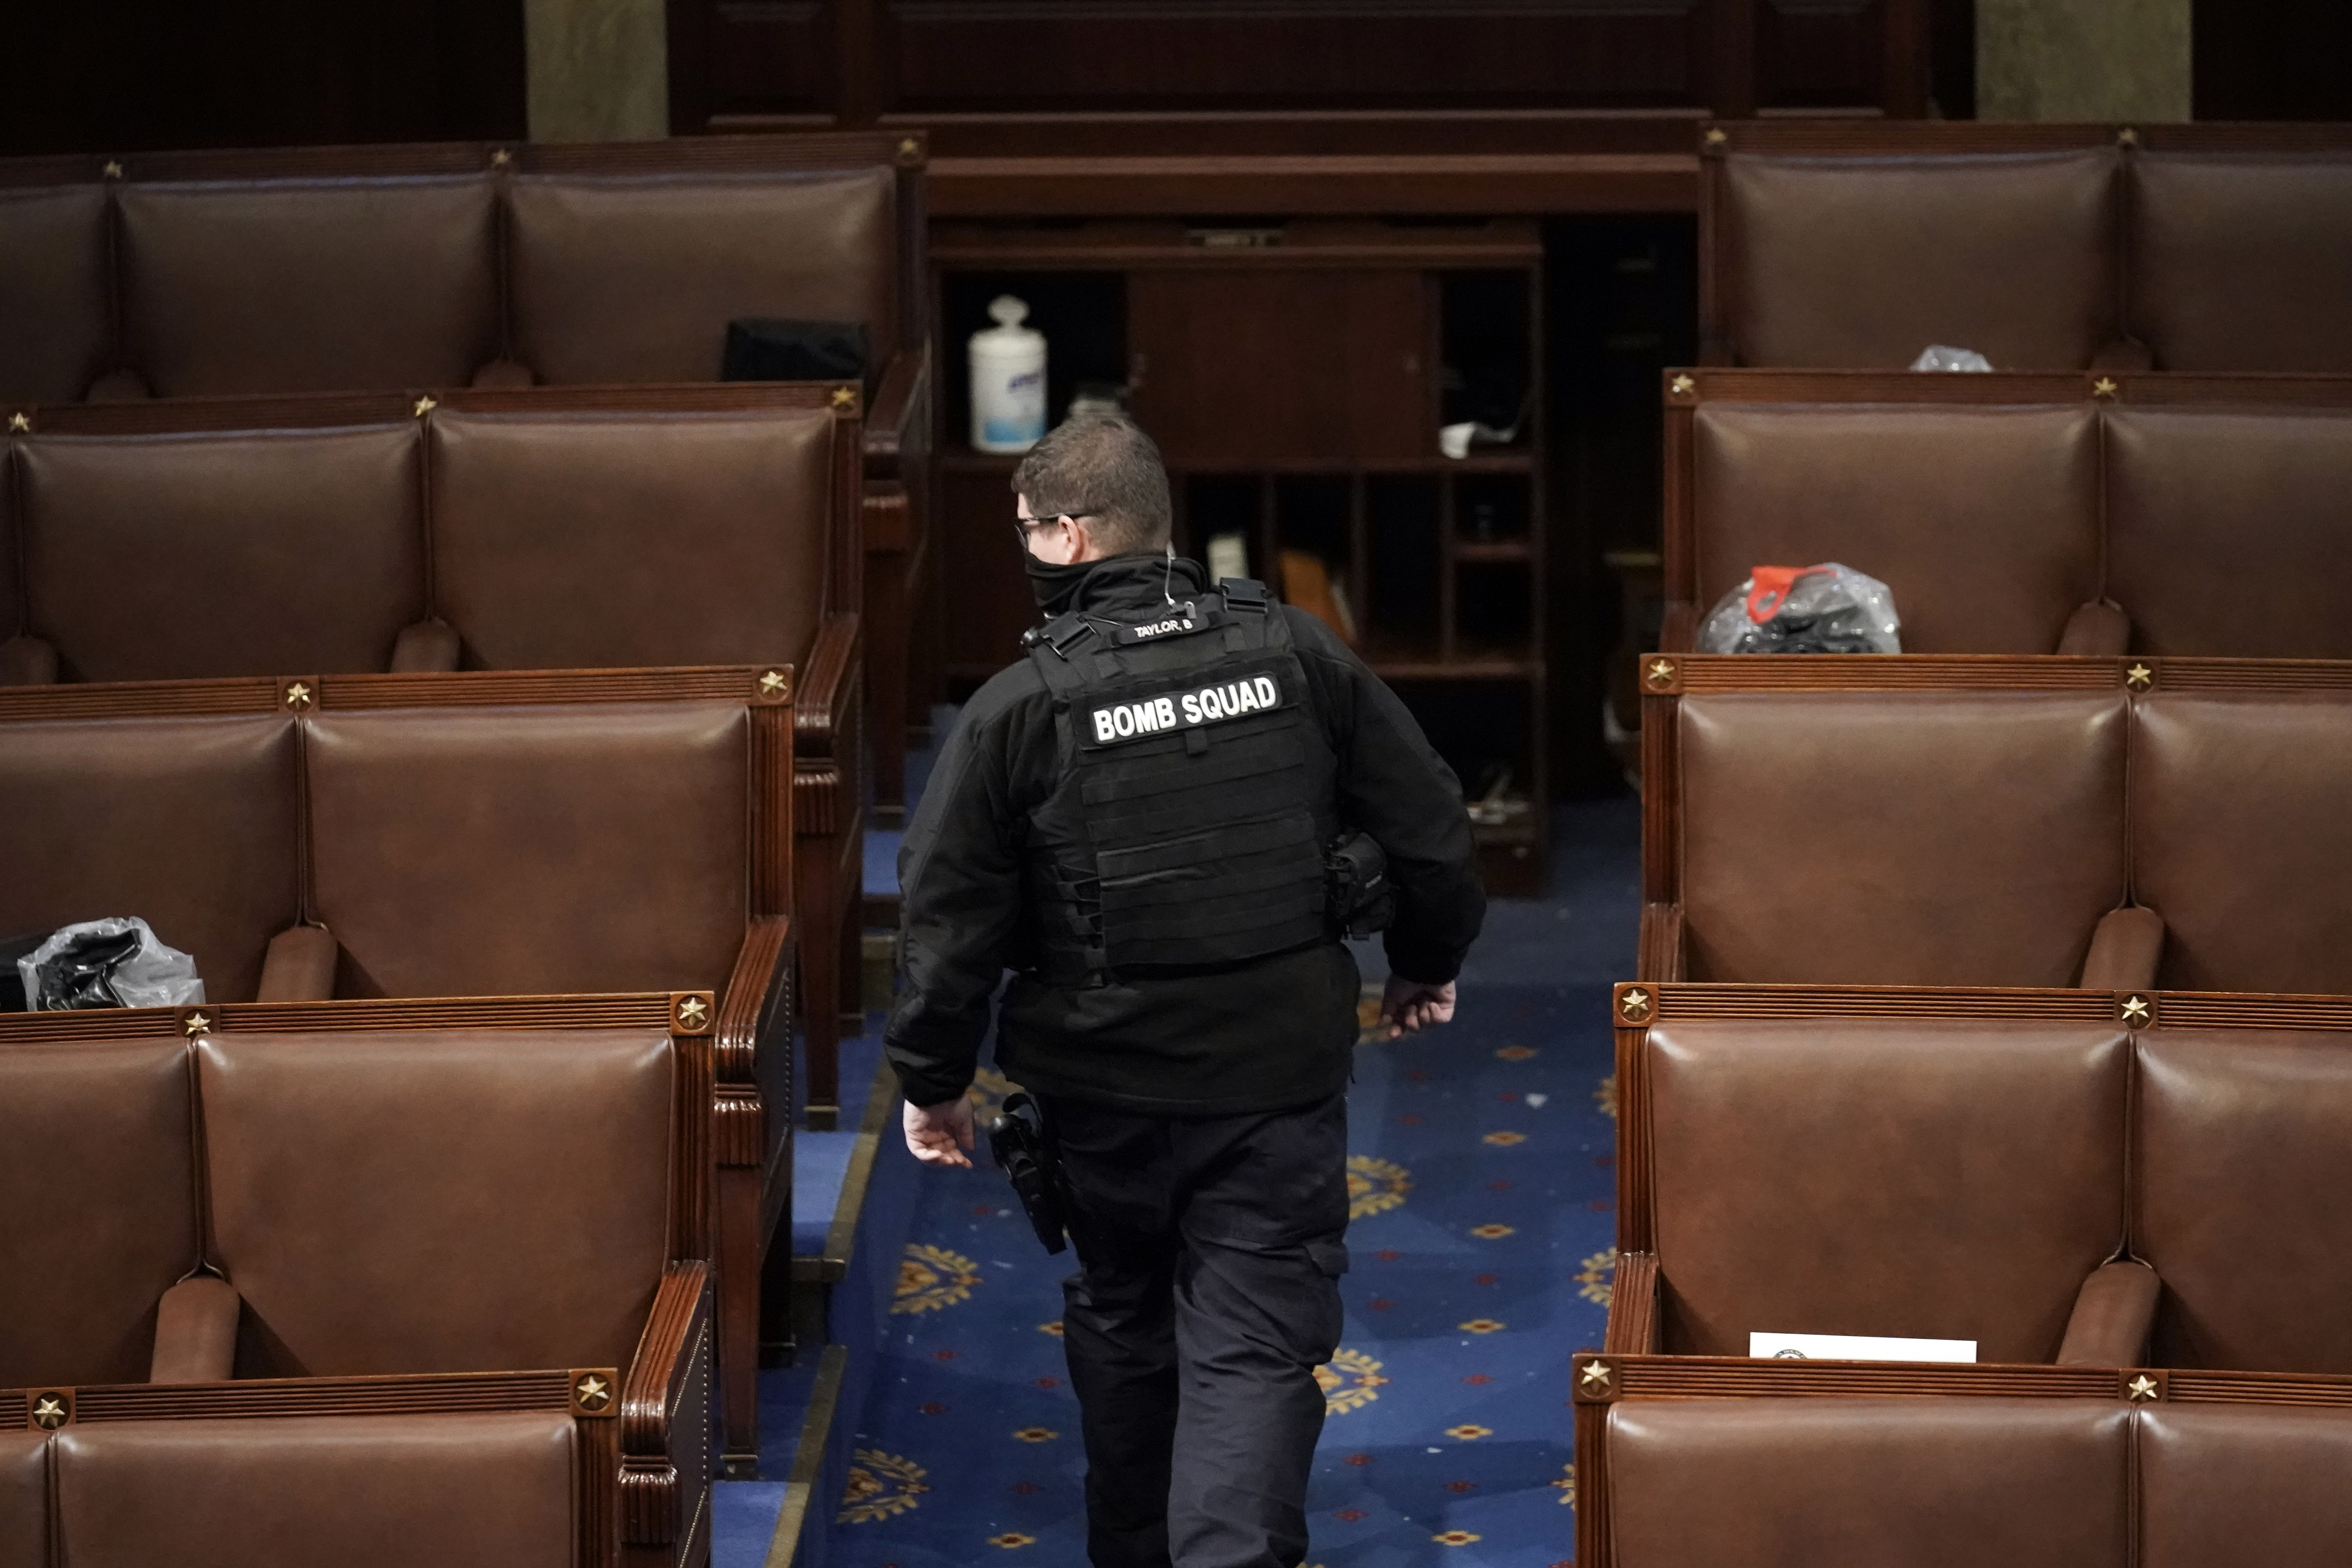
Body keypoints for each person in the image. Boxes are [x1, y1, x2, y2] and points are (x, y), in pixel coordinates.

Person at [887, 413, 1484, 1568]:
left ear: (1064, 537)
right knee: (1253, 1345)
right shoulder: (1296, 652)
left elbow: (945, 918)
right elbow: (1429, 823)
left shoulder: (1020, 705)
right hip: (1275, 1072)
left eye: (1025, 531)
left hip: (1099, 1087)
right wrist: (1427, 959)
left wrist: (933, 1082)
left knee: (1124, 1312)